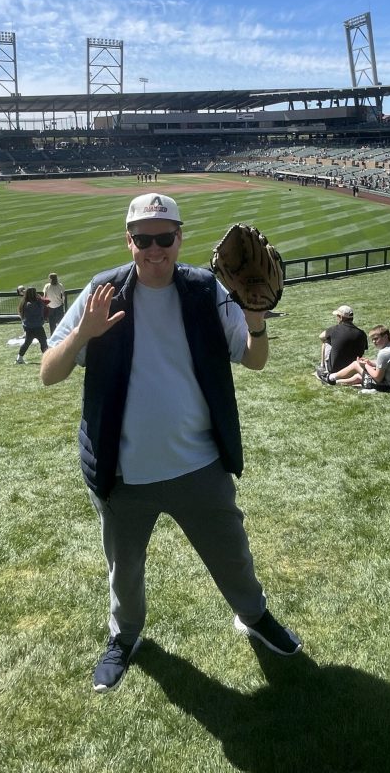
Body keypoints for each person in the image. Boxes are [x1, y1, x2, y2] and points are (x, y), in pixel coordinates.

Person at [41, 192, 301, 693]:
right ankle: (125, 637)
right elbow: (49, 374)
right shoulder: (102, 292)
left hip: (199, 464)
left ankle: (254, 616)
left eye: (164, 237)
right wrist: (82, 335)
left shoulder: (206, 289)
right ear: (129, 241)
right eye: (143, 239)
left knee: (232, 555)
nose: (154, 249)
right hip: (122, 473)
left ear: (180, 238)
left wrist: (257, 318)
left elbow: (253, 359)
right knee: (124, 570)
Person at [321, 325, 390, 390]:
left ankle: (330, 377)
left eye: (376, 339)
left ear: (385, 337)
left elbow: (378, 378)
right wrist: (370, 362)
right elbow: (386, 365)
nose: (374, 342)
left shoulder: (384, 353)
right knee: (359, 377)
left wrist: (365, 365)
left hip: (388, 386)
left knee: (356, 364)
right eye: (372, 339)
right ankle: (334, 382)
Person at [316, 305, 367, 380]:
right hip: (352, 370)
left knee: (326, 340)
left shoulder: (334, 329)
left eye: (337, 316)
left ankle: (323, 367)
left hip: (334, 370)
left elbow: (321, 336)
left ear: (341, 317)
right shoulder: (362, 333)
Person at [16, 287, 48, 363]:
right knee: (43, 342)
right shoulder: (34, 303)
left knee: (27, 343)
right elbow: (41, 310)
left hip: (29, 327)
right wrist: (39, 298)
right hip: (37, 327)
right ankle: (47, 358)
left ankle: (19, 359)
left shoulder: (24, 303)